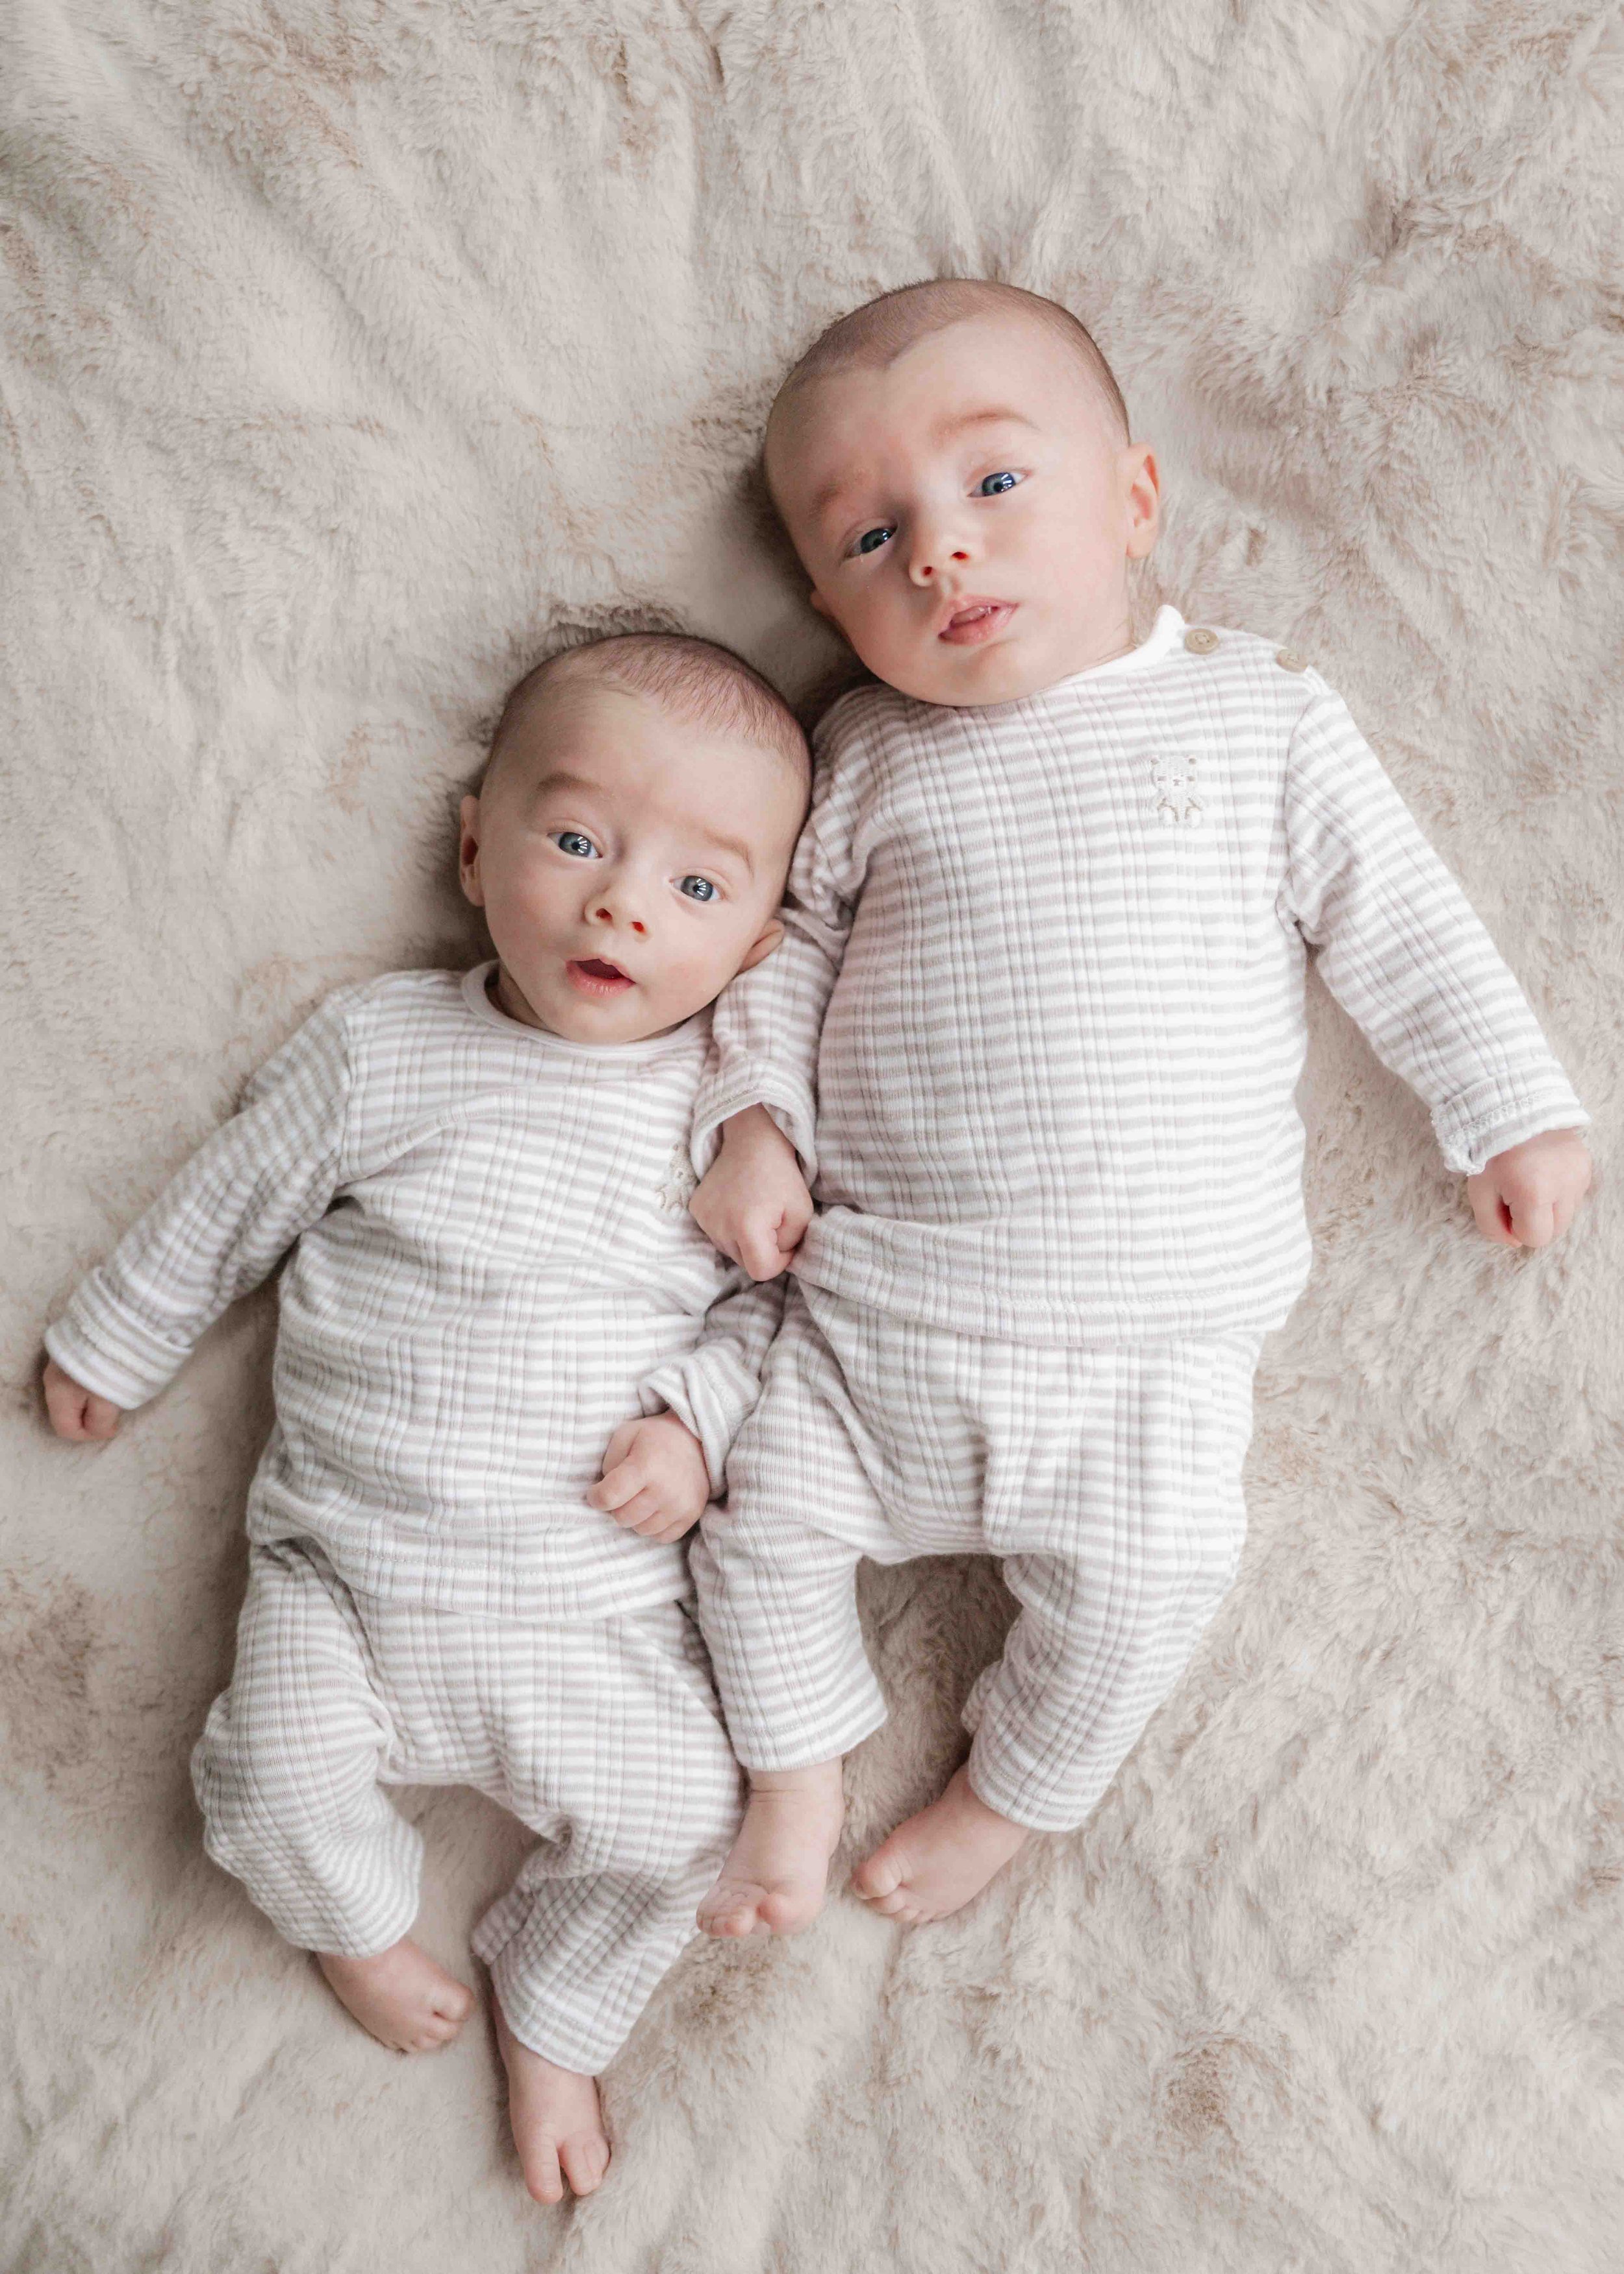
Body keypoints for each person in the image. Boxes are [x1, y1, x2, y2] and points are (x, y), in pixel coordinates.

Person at [683, 279, 1593, 1943]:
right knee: (753, 1534)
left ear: (1134, 502)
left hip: (1148, 1350)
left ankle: (1006, 1798)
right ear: (819, 595)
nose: (941, 553)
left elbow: (1395, 912)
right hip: (882, 1317)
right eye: (869, 540)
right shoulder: (864, 755)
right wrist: (753, 1122)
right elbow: (780, 955)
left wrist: (1503, 1103)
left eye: (994, 485)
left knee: (1154, 1591)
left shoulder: (1255, 718)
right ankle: (796, 1771)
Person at [41, 631, 809, 2205]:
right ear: (474, 843)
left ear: (755, 944)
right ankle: (352, 1921)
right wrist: (120, 1331)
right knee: (258, 1775)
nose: (619, 905)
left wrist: (691, 1422)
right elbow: (231, 1198)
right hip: (350, 1577)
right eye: (578, 841)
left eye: (696, 887)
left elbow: (773, 1320)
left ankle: (558, 2001)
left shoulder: (722, 1125)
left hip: (588, 1611)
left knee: (689, 1821)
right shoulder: (384, 1045)